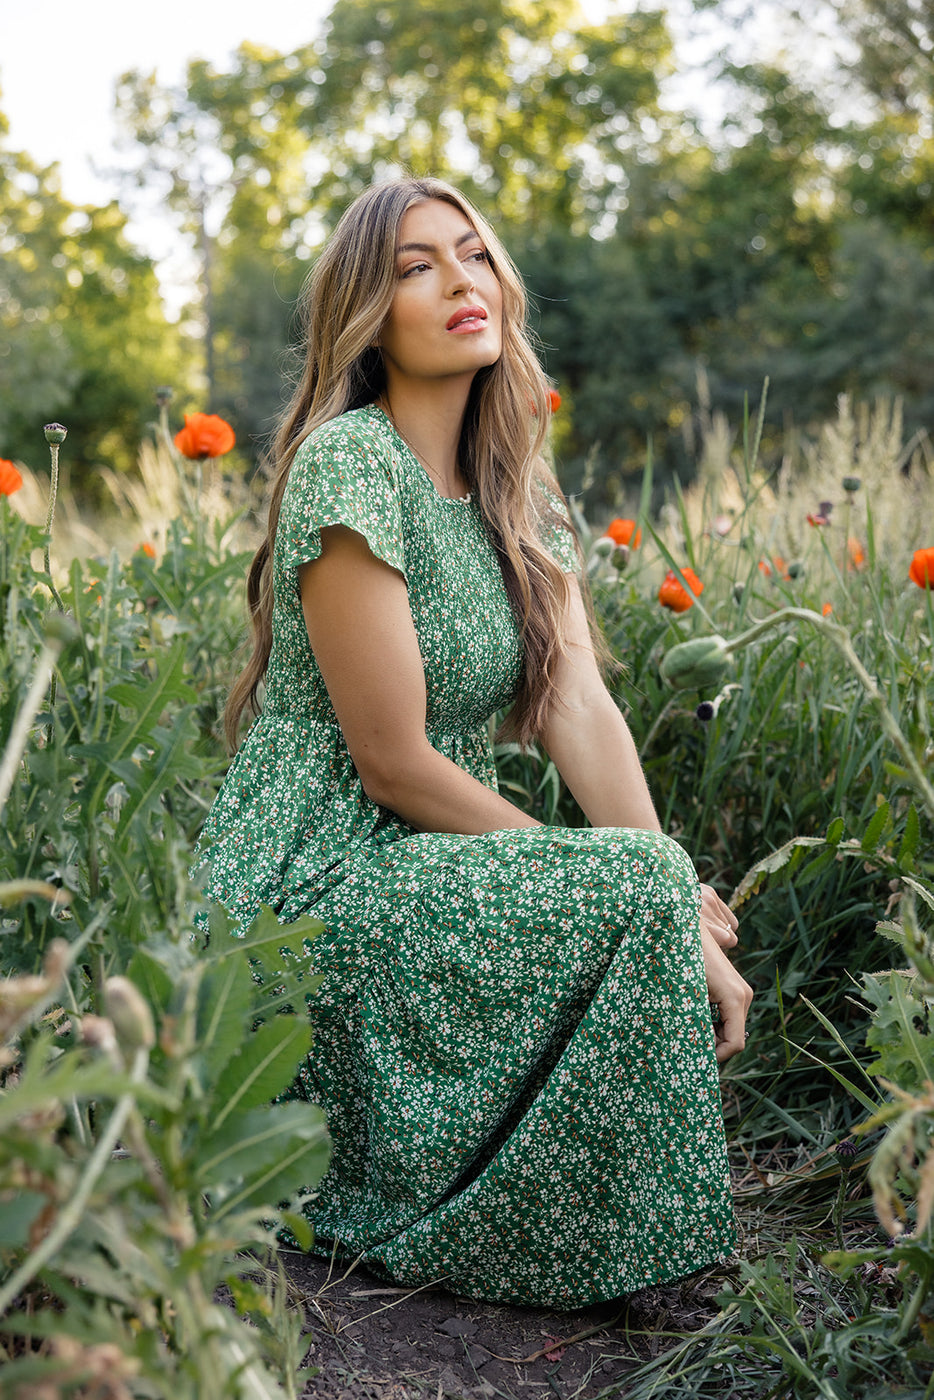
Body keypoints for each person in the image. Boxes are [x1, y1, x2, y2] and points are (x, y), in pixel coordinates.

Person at [193, 175, 753, 1309]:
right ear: (368, 314)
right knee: (635, 877)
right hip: (316, 876)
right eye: (415, 266)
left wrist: (667, 891)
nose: (459, 281)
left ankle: (581, 1227)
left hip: (435, 854)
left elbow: (579, 706)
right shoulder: (353, 463)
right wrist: (627, 881)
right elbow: (392, 759)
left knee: (648, 873)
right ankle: (530, 1237)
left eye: (473, 254)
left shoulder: (515, 496)